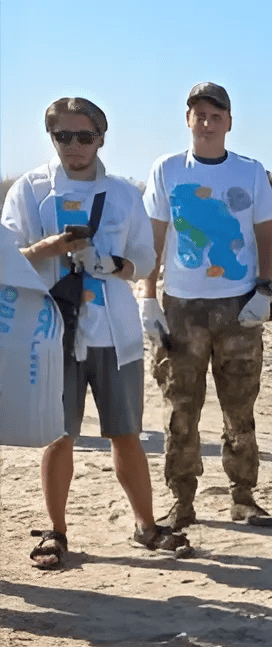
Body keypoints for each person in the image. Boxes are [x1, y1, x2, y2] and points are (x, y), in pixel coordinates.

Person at [2, 97, 189, 568]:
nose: (74, 146)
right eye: (62, 136)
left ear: (101, 138)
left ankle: (147, 526)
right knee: (57, 433)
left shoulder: (124, 194)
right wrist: (49, 248)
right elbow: (8, 259)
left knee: (125, 431)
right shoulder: (29, 189)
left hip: (113, 329)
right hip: (52, 329)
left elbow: (147, 260)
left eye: (84, 136)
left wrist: (112, 264)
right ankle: (56, 532)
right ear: (52, 138)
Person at [141, 82, 272, 530]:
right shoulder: (167, 169)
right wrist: (147, 295)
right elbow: (155, 236)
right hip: (182, 307)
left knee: (240, 408)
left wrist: (265, 287)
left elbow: (267, 233)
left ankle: (243, 497)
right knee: (181, 409)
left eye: (215, 115)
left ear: (228, 122)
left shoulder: (250, 171)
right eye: (199, 115)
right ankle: (182, 501)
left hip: (238, 308)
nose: (206, 123)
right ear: (188, 120)